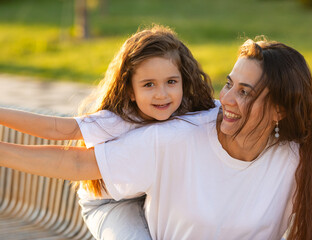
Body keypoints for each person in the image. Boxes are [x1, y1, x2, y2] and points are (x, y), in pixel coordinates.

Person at [0, 37, 312, 239]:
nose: (228, 101)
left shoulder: (295, 159)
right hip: (113, 197)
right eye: (229, 84)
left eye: (245, 92)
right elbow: (73, 157)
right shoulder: (170, 136)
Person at [0, 25, 215, 240]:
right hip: (112, 203)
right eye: (149, 85)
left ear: (183, 81)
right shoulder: (118, 119)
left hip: (152, 196)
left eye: (171, 82)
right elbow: (56, 129)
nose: (162, 94)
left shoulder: (190, 110)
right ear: (130, 91)